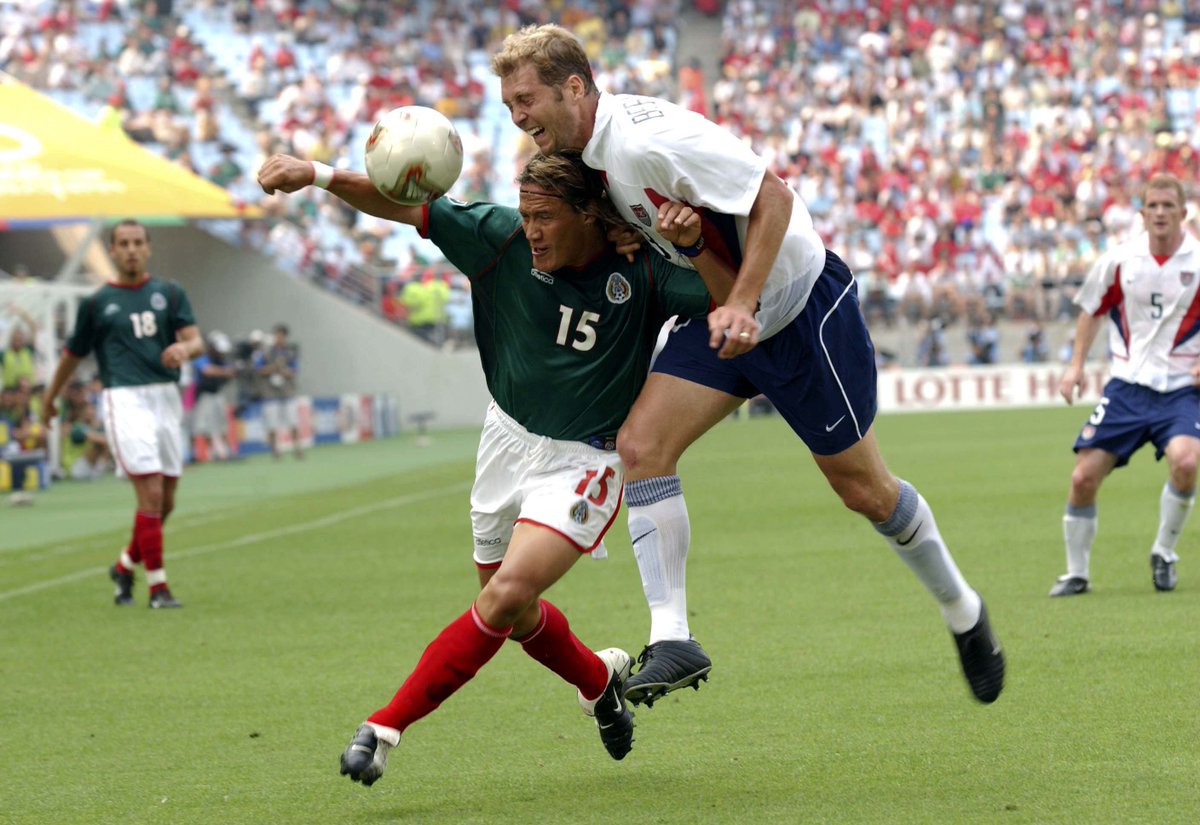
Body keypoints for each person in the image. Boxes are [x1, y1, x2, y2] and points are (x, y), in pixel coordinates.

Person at [491, 24, 1005, 706]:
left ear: (575, 87)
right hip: (722, 309)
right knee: (641, 446)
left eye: (526, 100)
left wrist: (742, 302)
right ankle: (673, 635)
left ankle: (964, 610)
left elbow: (775, 196)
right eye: (509, 107)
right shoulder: (591, 158)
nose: (519, 118)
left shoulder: (645, 138)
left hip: (796, 313)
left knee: (866, 492)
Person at [257, 149, 727, 784]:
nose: (530, 228)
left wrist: (686, 242)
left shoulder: (640, 270)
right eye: (526, 213)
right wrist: (316, 174)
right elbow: (403, 204)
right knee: (505, 608)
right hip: (504, 439)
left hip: (584, 460)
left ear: (593, 216)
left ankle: (383, 726)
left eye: (545, 217)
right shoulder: (498, 237)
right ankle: (599, 682)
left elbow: (726, 292)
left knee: (505, 597)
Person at [41, 219, 203, 609]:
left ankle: (124, 565)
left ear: (148, 248)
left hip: (165, 396)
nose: (131, 249)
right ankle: (158, 588)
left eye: (137, 242)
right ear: (111, 251)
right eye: (123, 243)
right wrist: (50, 397)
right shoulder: (96, 303)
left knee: (166, 501)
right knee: (148, 491)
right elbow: (72, 354)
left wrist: (185, 350)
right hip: (123, 399)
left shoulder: (169, 292)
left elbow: (195, 339)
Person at [1052, 173, 1200, 597]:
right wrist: (1076, 364)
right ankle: (1076, 573)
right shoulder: (1120, 260)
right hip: (1128, 388)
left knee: (1187, 464)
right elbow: (1091, 309)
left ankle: (1164, 551)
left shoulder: (1198, 261)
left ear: (1183, 213)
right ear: (1141, 213)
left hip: (1181, 390)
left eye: (1167, 206)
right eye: (1152, 206)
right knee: (1082, 478)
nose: (1159, 213)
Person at [253, 323, 302, 459]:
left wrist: (283, 370)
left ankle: (297, 447)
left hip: (287, 392)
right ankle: (275, 450)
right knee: (272, 424)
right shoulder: (266, 352)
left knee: (293, 422)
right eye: (276, 335)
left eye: (281, 335)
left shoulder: (290, 352)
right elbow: (259, 370)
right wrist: (274, 367)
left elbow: (293, 372)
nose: (278, 338)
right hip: (270, 393)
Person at [192, 330, 237, 461]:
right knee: (201, 426)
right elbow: (207, 371)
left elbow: (230, 373)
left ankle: (224, 452)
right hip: (204, 395)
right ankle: (198, 454)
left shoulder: (221, 360)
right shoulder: (202, 357)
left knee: (222, 424)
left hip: (217, 394)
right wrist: (226, 372)